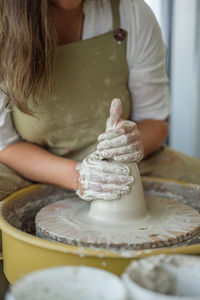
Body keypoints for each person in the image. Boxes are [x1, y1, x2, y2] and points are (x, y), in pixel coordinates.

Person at [0, 0, 199, 298]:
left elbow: (155, 120)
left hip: (127, 163)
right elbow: (5, 145)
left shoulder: (131, 13)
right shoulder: (4, 24)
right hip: (30, 163)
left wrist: (135, 141)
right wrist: (79, 176)